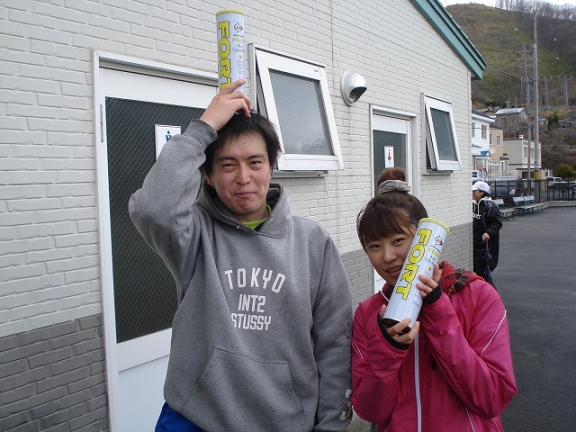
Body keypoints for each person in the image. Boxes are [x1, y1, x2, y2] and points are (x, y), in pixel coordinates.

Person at [129, 79, 353, 432]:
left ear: (271, 166)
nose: (244, 177)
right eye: (228, 165)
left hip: (285, 422)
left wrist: (331, 424)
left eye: (255, 162)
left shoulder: (313, 243)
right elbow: (152, 209)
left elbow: (335, 344)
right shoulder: (193, 235)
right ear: (208, 175)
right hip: (194, 418)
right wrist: (204, 128)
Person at [351, 169, 517, 431]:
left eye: (398, 240)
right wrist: (387, 350)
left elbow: (492, 398)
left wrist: (438, 312)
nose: (388, 256)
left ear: (423, 239)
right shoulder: (368, 314)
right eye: (374, 246)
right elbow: (371, 411)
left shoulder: (477, 295)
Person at [472, 181, 502, 284]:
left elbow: (497, 223)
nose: (472, 193)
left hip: (485, 246)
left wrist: (488, 233)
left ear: (481, 192)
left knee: (483, 274)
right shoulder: (474, 205)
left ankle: (490, 292)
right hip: (475, 244)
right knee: (477, 272)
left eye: (474, 191)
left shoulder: (490, 206)